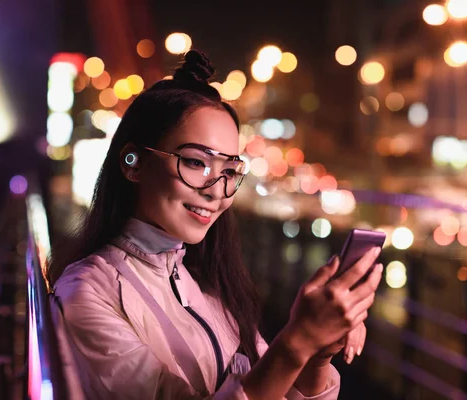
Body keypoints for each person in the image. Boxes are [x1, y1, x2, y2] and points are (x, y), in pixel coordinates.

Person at [48, 50, 383, 399]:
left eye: (229, 172)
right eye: (195, 162)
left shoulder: (209, 285)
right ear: (133, 163)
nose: (217, 191)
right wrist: (297, 342)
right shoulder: (87, 294)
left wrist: (317, 355)